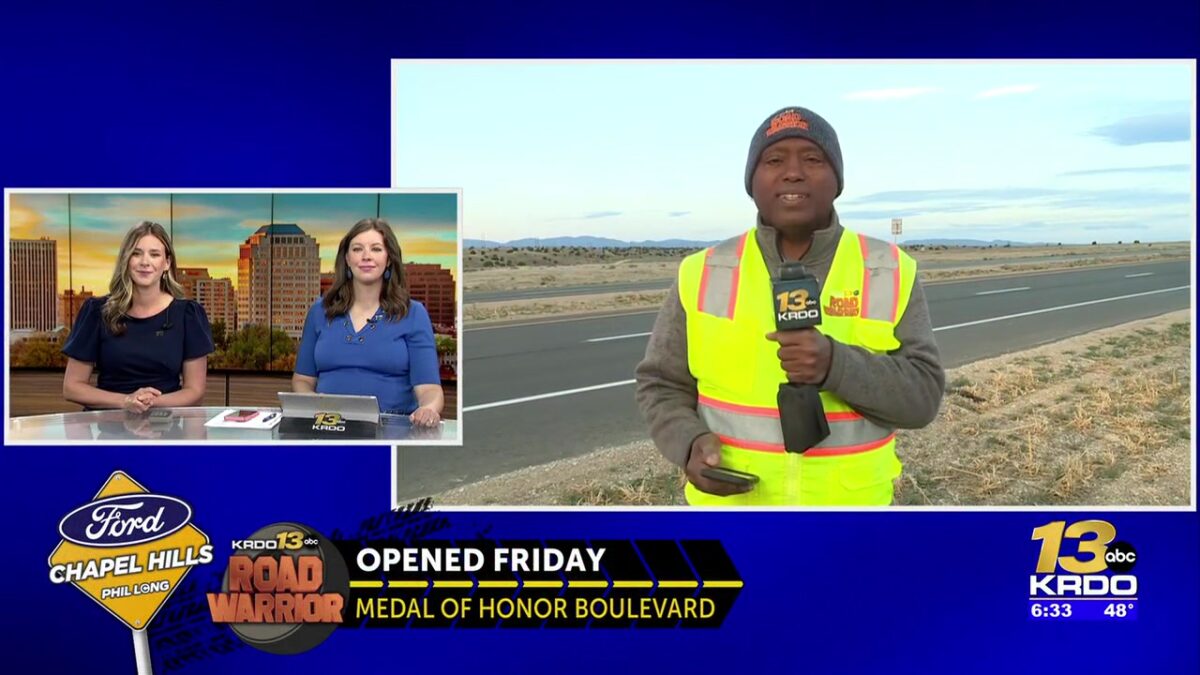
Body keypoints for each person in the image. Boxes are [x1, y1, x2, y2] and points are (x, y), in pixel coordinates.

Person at [635, 107, 945, 506]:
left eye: (813, 159)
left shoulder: (888, 268)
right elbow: (660, 383)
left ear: (838, 181)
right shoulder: (703, 271)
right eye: (774, 160)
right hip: (734, 517)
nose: (793, 172)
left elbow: (922, 400)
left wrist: (835, 364)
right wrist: (688, 443)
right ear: (752, 182)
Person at [293, 217, 443, 427]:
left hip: (391, 428)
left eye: (376, 249)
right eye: (357, 249)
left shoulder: (413, 313)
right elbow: (302, 380)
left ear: (389, 258)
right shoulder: (320, 311)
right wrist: (312, 404)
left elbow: (429, 390)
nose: (366, 256)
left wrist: (428, 409)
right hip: (329, 426)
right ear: (346, 258)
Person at [62, 221, 214, 412]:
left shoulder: (188, 315)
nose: (144, 262)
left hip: (165, 428)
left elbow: (195, 391)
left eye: (154, 254)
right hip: (111, 430)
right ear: (126, 260)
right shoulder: (97, 311)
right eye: (136, 253)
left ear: (167, 263)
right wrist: (126, 401)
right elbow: (72, 387)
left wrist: (147, 403)